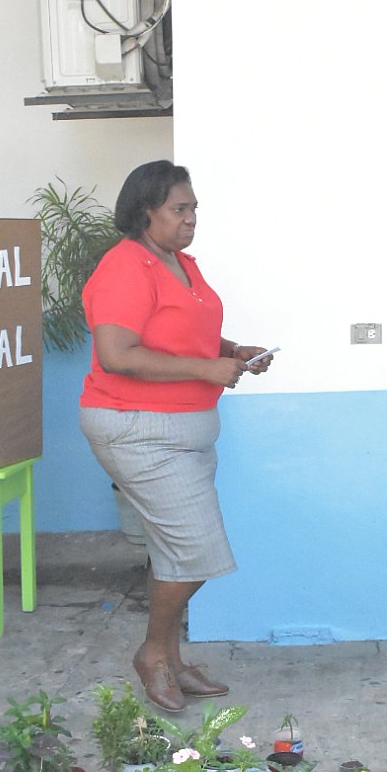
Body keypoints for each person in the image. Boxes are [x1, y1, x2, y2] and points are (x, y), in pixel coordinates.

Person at [78, 160, 273, 713]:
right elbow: (117, 354)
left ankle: (172, 659)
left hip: (184, 431)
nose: (191, 219)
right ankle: (152, 655)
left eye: (193, 209)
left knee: (173, 553)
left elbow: (184, 333)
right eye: (179, 209)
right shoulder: (124, 267)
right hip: (137, 428)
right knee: (195, 551)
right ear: (145, 212)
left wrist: (231, 352)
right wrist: (206, 369)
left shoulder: (181, 264)